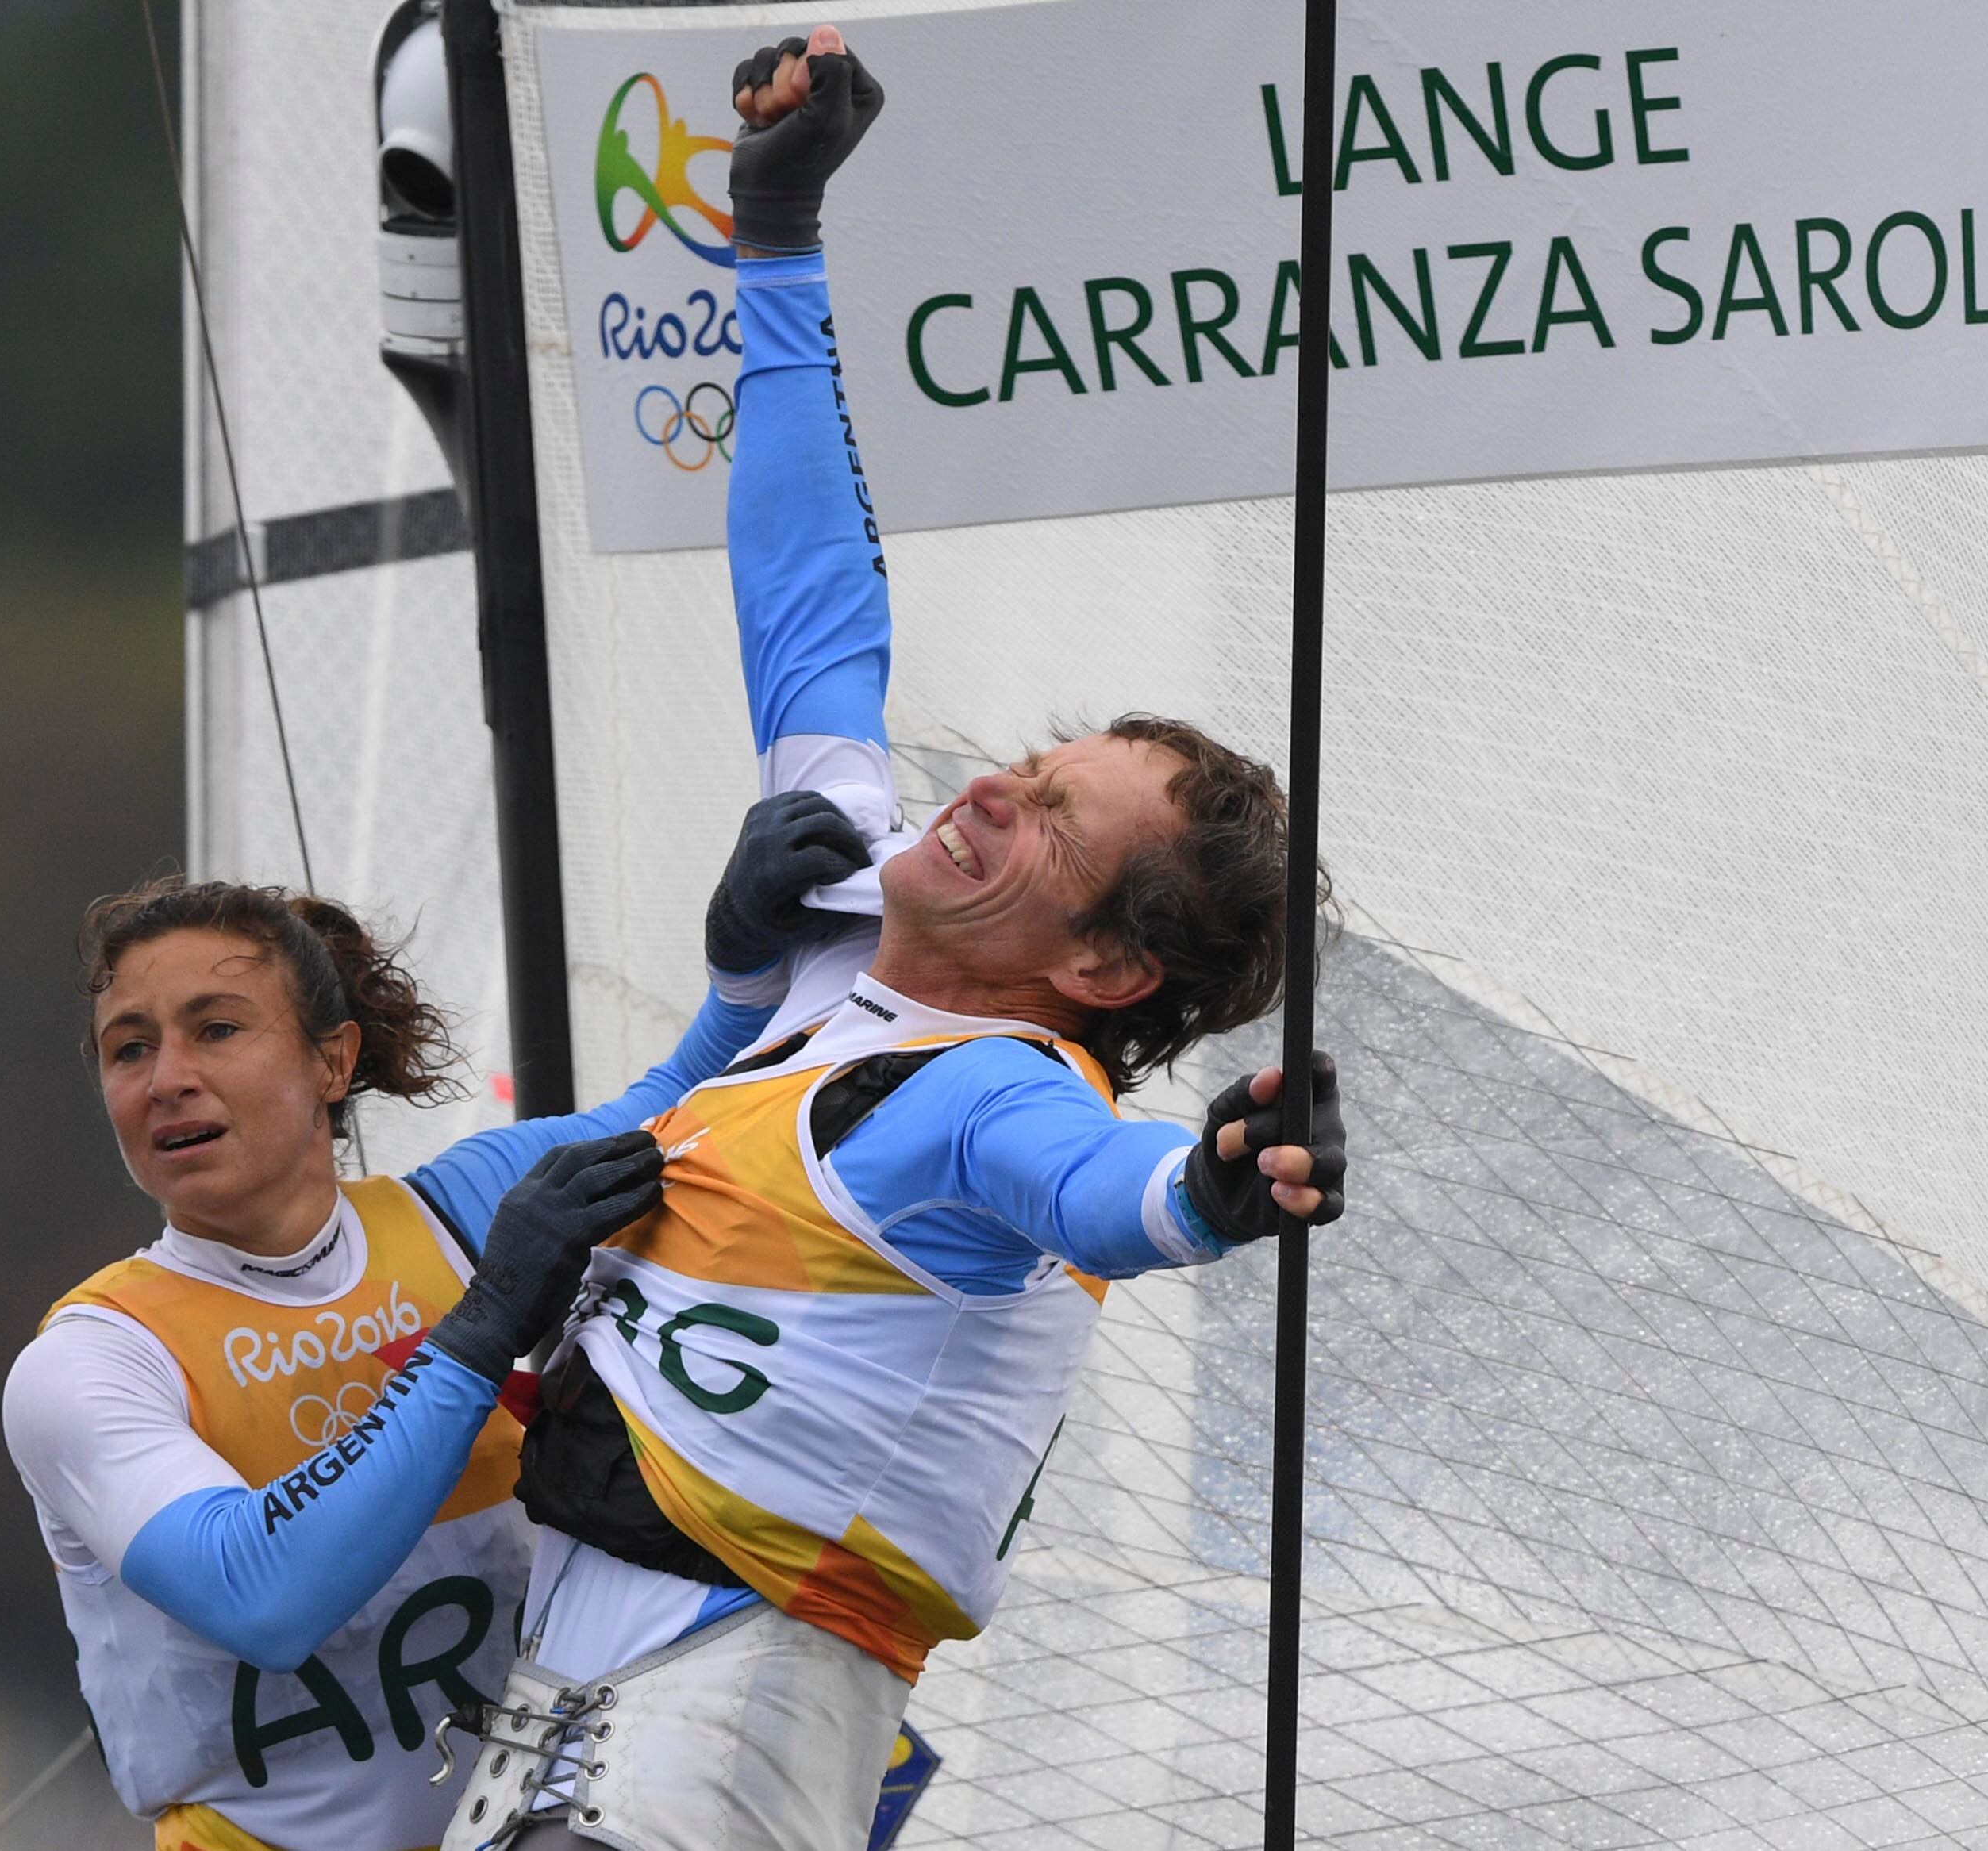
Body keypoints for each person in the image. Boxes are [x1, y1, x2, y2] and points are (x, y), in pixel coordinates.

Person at [439, 29, 1352, 1851]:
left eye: (1051, 822)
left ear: (1102, 972)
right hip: (560, 1713)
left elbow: (1098, 1195)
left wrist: (1212, 1192)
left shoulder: (997, 1091)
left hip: (707, 1737)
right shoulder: (841, 908)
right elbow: (807, 591)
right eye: (1029, 762)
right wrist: (774, 238)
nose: (989, 789)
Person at [2, 792, 875, 1851]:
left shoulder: (459, 1209)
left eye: (217, 1030)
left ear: (331, 1061)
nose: (168, 1080)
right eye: (128, 1050)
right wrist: (485, 1324)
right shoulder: (88, 1361)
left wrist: (746, 967)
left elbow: (702, 1107)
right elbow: (264, 1598)